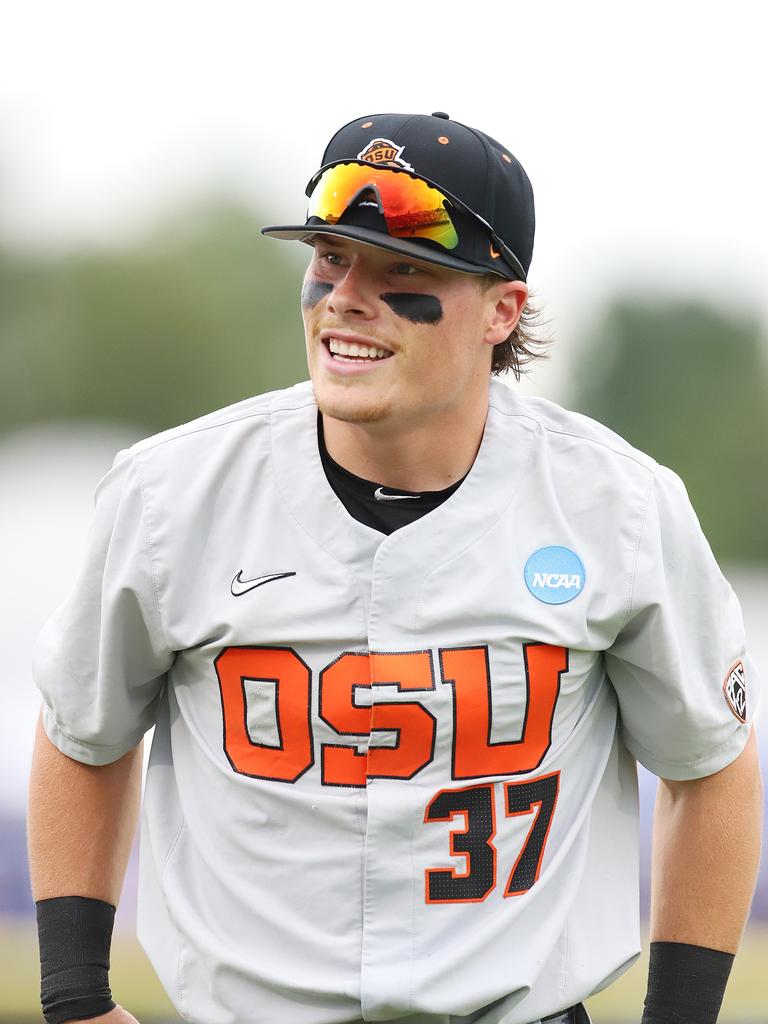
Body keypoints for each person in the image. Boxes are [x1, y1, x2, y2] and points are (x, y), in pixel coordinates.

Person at [28, 111, 762, 1024]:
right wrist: (71, 998)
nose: (344, 297)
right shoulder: (172, 491)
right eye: (331, 259)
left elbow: (711, 763)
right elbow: (81, 729)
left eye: (403, 270)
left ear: (503, 310)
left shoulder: (619, 504)